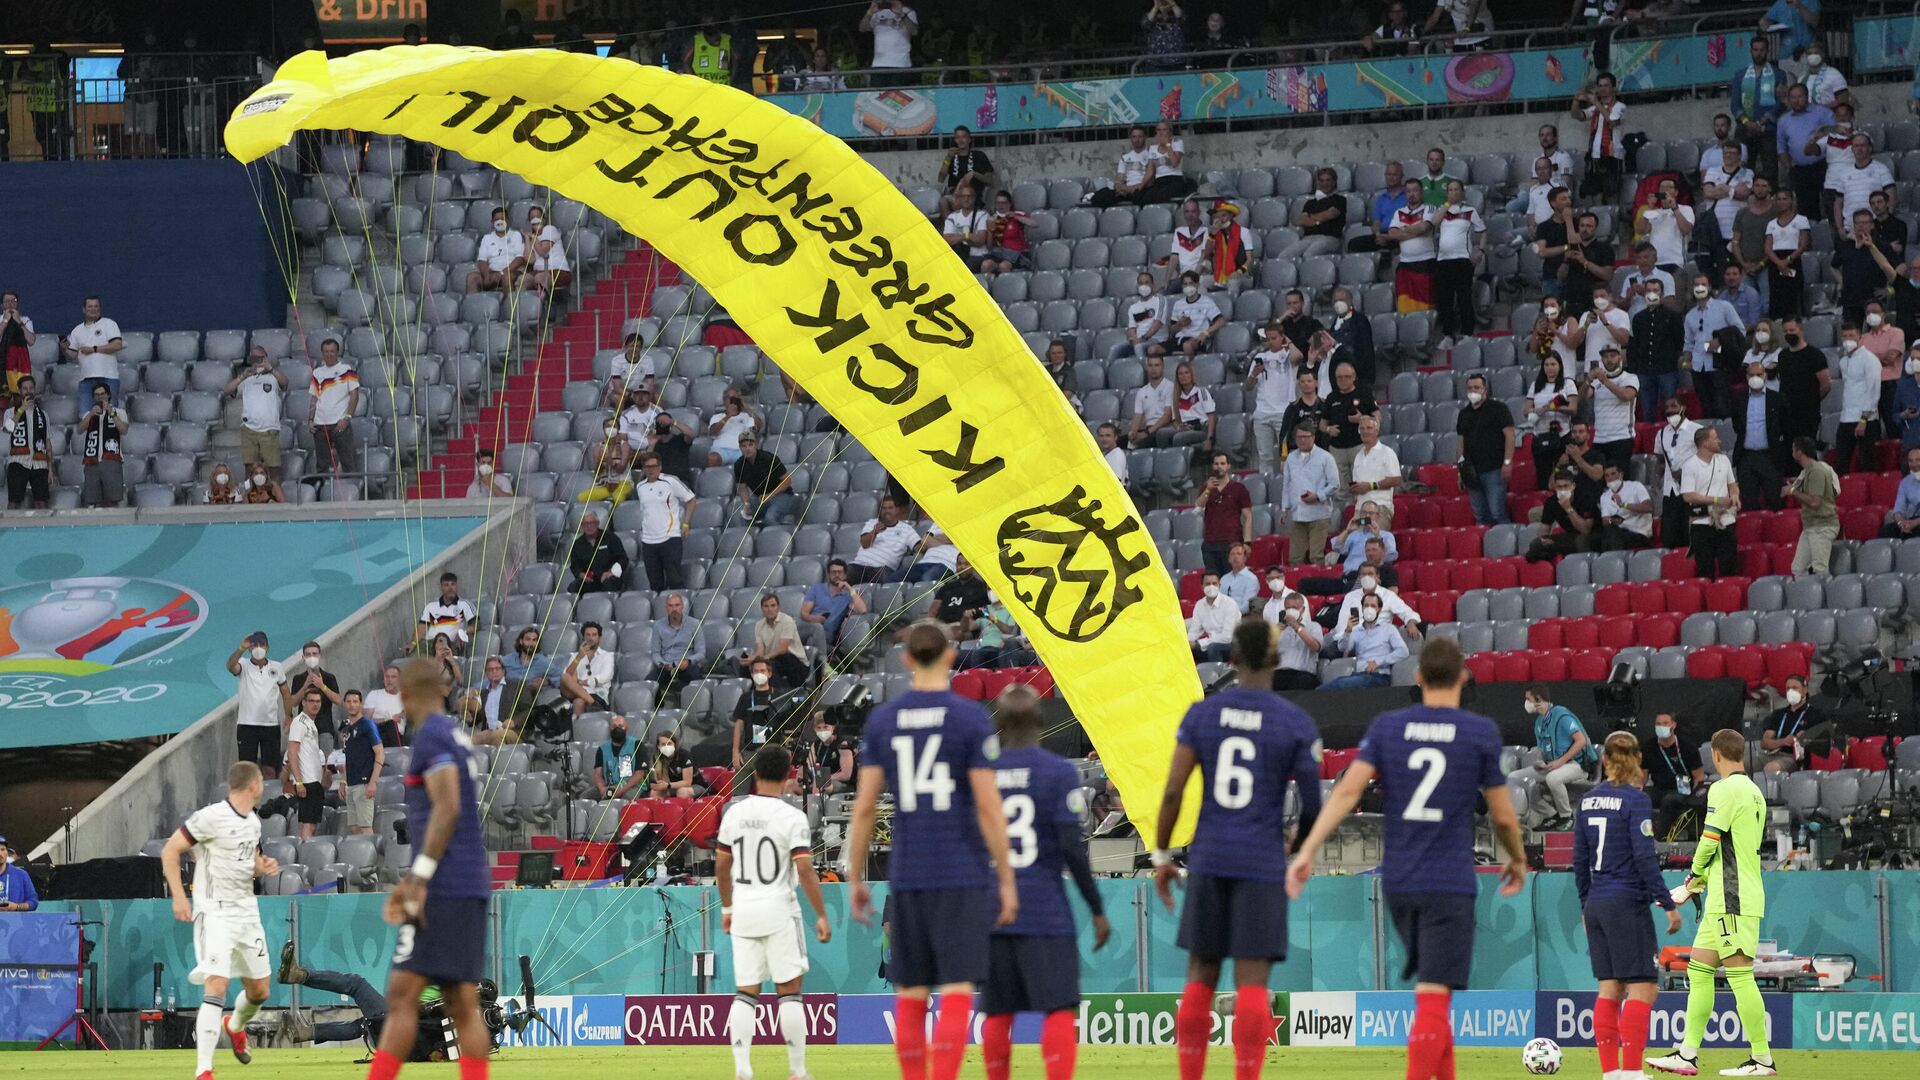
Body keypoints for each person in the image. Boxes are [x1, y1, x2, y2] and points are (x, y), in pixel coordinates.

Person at [1289, 638, 1527, 1080]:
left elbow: (1346, 791)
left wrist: (1308, 849)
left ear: (1417, 678)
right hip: (1448, 881)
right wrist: (1516, 858)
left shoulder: (1387, 727)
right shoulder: (1478, 732)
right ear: (1463, 678)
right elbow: (1502, 813)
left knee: (1434, 998)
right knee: (1434, 1000)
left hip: (1399, 882)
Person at [846, 622, 1018, 1080]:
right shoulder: (970, 719)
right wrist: (1005, 876)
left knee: (910, 992)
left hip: (908, 875)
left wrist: (854, 877)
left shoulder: (884, 720)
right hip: (961, 872)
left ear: (905, 660)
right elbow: (987, 805)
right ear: (948, 657)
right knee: (958, 986)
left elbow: (863, 809)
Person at [1151, 620, 1320, 1080]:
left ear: (1231, 659)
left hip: (1209, 859)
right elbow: (1313, 803)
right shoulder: (1293, 721)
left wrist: (1163, 857)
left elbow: (1172, 793)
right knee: (1252, 983)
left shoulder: (1202, 715)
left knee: (1200, 977)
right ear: (1276, 658)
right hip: (1261, 863)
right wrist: (1298, 849)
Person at [362, 658, 500, 1080]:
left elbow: (447, 807)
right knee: (460, 1000)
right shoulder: (455, 735)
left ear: (403, 695)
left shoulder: (431, 736)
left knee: (403, 994)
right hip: (468, 882)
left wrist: (418, 878)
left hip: (442, 887)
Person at [981, 685, 1110, 1080]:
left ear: (999, 724)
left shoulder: (983, 776)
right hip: (1045, 910)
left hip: (994, 911)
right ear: (1041, 720)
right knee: (1058, 1008)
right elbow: (1072, 848)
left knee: (998, 1011)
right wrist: (1097, 909)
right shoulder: (1058, 773)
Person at [1647, 730, 1776, 1078]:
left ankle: (1762, 1060)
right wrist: (1697, 887)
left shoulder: (1722, 789)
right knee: (1699, 970)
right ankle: (1687, 1055)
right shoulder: (1755, 793)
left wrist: (1691, 878)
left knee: (1739, 976)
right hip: (1730, 894)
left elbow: (1710, 841)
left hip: (1731, 898)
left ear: (1716, 755)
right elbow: (1731, 849)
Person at [716, 744, 832, 1080]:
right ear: (788, 776)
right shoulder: (791, 817)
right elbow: (806, 870)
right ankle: (797, 1070)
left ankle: (742, 1069)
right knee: (790, 992)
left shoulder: (733, 813)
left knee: (745, 992)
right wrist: (821, 915)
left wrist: (727, 907)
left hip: (744, 910)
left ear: (754, 774)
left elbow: (722, 865)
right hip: (780, 909)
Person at [1575, 733, 1684, 1080]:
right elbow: (1643, 858)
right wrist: (1668, 904)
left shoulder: (1587, 801)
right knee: (1643, 988)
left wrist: (1584, 903)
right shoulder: (1635, 801)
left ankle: (1611, 1073)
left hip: (1597, 902)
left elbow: (1579, 861)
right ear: (1637, 759)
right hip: (1627, 903)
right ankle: (1633, 1072)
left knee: (1609, 988)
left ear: (1604, 760)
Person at [161, 761, 277, 1080]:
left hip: (247, 912)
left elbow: (249, 862)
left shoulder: (253, 822)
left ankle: (235, 1026)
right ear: (253, 785)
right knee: (217, 985)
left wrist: (261, 866)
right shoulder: (210, 817)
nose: (264, 788)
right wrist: (179, 897)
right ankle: (204, 1070)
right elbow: (170, 851)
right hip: (214, 912)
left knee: (260, 991)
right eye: (262, 784)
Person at [1524, 685, 1596, 830]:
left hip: (1577, 764)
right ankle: (1552, 814)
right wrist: (1541, 764)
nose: (1526, 703)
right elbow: (1544, 749)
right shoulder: (1539, 722)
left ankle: (1566, 816)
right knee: (1525, 782)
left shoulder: (1561, 715)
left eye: (1528, 699)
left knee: (1553, 778)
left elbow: (1581, 741)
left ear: (1538, 699)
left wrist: (1559, 762)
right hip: (1555, 765)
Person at [227, 631, 289, 779]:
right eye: (255, 645)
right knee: (247, 770)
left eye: (262, 645)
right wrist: (241, 647)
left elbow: (286, 692)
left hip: (270, 725)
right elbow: (230, 666)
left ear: (267, 648)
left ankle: (271, 801)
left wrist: (289, 715)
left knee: (271, 769)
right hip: (247, 725)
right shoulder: (243, 664)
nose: (259, 648)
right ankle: (250, 802)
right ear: (250, 648)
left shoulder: (277, 667)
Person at [1456, 372, 1515, 525]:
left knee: (1497, 512)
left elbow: (1510, 436)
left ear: (1485, 389)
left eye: (1477, 387)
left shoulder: (1499, 409)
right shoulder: (1463, 414)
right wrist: (1460, 472)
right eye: (1469, 388)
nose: (1473, 391)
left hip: (1494, 469)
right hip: (1471, 472)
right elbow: (1461, 444)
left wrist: (1507, 462)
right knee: (1480, 516)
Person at [1681, 426, 1740, 580]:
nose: (1719, 441)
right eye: (1715, 438)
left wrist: (1734, 496)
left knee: (1729, 564)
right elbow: (1688, 496)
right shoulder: (1690, 465)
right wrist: (1716, 500)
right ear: (1705, 442)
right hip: (1702, 521)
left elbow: (1732, 485)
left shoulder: (1724, 460)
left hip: (1725, 519)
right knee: (1705, 567)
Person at [1431, 180, 1485, 348]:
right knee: (1445, 300)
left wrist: (1480, 251)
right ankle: (1448, 334)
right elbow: (1434, 223)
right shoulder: (1442, 210)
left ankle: (1467, 332)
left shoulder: (1470, 211)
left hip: (1462, 260)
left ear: (1462, 192)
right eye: (1450, 190)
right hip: (1443, 261)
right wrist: (1447, 204)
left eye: (1456, 190)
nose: (1453, 192)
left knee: (1464, 298)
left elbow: (1482, 232)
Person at [1683, 275, 1743, 419]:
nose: (1700, 287)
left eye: (1703, 284)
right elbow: (1689, 342)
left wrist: (1721, 340)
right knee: (1706, 407)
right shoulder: (1690, 316)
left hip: (1718, 364)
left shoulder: (1724, 307)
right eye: (1696, 284)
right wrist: (1687, 360)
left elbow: (1740, 330)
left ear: (1709, 287)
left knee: (1722, 406)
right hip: (1698, 367)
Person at [1730, 35, 1788, 180]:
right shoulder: (1740, 75)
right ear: (1750, 51)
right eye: (1755, 50)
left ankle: (1771, 198)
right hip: (1745, 129)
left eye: (1762, 50)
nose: (1758, 53)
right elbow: (1735, 104)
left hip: (1768, 128)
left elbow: (1781, 103)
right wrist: (1746, 122)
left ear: (1767, 51)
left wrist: (1761, 122)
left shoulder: (1778, 74)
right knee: (1742, 167)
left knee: (1770, 169)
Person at [1732, 361, 1787, 511]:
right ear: (1746, 377)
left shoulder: (1777, 399)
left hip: (1770, 457)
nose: (1755, 377)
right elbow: (1737, 425)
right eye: (1752, 375)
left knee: (1774, 500)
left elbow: (1785, 425)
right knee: (1748, 503)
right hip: (1746, 457)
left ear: (1765, 376)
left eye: (1759, 374)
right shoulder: (1738, 399)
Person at [1323, 592, 1408, 689]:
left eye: (1373, 606)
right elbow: (1342, 648)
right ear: (1362, 608)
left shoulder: (1388, 629)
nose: (1369, 609)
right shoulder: (1356, 631)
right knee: (1338, 682)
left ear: (1379, 609)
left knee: (1341, 684)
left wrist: (1378, 662)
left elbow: (1403, 651)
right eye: (1366, 605)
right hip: (1359, 675)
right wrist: (1347, 631)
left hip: (1379, 676)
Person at [1279, 426, 1336, 565]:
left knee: (1316, 556)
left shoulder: (1325, 457)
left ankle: (1319, 585)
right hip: (1298, 514)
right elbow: (1287, 484)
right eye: (1300, 437)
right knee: (1295, 558)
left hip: (1319, 514)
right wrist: (1284, 508)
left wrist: (1317, 496)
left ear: (1313, 437)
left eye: (1306, 437)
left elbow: (1334, 484)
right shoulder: (1291, 458)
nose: (1303, 440)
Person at [1643, 714, 1706, 839]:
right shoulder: (1648, 747)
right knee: (1642, 797)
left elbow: (1699, 777)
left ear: (1674, 725)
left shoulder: (1688, 747)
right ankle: (1641, 833)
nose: (1661, 727)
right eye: (1658, 724)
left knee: (1670, 800)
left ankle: (1658, 836)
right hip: (1659, 788)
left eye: (1665, 723)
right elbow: (1642, 778)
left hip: (1683, 789)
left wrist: (1694, 796)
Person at [308, 337, 361, 478]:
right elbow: (314, 398)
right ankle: (322, 495)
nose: (329, 355)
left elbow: (354, 397)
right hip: (320, 425)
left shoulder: (347, 370)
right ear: (322, 353)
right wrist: (310, 419)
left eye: (332, 351)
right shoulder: (317, 373)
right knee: (322, 466)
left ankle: (352, 494)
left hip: (340, 423)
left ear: (337, 352)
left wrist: (347, 419)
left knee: (348, 462)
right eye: (326, 352)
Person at [1835, 322, 1883, 475]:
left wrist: (1863, 420)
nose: (1848, 339)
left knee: (1867, 462)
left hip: (1865, 419)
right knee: (1841, 462)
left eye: (1851, 335)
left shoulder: (1869, 359)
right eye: (1845, 336)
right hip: (1846, 418)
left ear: (1859, 337)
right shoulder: (1843, 362)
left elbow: (1873, 390)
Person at [61, 295, 124, 409]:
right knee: (85, 415)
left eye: (96, 306)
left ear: (100, 308)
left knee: (110, 414)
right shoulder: (77, 330)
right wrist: (64, 349)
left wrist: (94, 349)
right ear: (84, 309)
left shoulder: (109, 323)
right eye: (90, 306)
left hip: (108, 377)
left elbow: (117, 345)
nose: (93, 309)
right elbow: (72, 355)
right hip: (86, 378)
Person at [1758, 674, 1830, 774]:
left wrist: (1805, 737)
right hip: (1772, 754)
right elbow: (1765, 743)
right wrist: (1784, 741)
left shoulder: (1816, 714)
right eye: (1788, 688)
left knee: (1771, 768)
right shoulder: (1778, 714)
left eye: (1795, 688)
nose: (1791, 692)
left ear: (1804, 690)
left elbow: (1822, 741)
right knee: (1738, 764)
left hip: (1794, 757)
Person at [1584, 343, 1639, 472]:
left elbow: (1626, 395)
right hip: (1599, 438)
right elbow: (1582, 397)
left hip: (1622, 438)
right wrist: (1588, 380)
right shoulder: (1597, 381)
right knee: (1599, 483)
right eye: (1606, 357)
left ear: (1620, 357)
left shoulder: (1630, 378)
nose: (1609, 359)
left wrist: (1605, 381)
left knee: (1619, 481)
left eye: (1613, 356)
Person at [1775, 317, 1828, 450]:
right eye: (1786, 331)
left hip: (1808, 415)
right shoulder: (1783, 356)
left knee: (1807, 450)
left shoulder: (1815, 355)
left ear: (1801, 330)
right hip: (1787, 416)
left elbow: (1826, 384)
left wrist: (1812, 400)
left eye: (1792, 330)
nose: (1789, 334)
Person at [73, 381, 128, 507]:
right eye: (97, 394)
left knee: (113, 500)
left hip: (111, 459)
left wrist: (111, 413)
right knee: (93, 500)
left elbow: (124, 430)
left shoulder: (119, 412)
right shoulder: (89, 413)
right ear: (93, 397)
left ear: (108, 395)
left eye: (103, 394)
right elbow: (79, 429)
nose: (100, 397)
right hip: (92, 461)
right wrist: (91, 415)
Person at [1573, 72, 1626, 201]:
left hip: (1612, 156)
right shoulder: (1595, 108)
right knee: (1594, 194)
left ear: (1613, 88)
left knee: (1611, 194)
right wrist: (1576, 100)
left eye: (1606, 85)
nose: (1602, 88)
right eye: (1600, 85)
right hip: (1594, 156)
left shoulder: (1620, 106)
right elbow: (1578, 116)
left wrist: (1596, 102)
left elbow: (1612, 121)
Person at [847, 494, 920, 584]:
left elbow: (918, 547)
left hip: (882, 569)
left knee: (882, 577)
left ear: (897, 510)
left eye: (890, 508)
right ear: (880, 510)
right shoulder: (872, 523)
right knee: (844, 572)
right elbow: (865, 544)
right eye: (884, 508)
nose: (887, 511)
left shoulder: (907, 529)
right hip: (859, 566)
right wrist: (874, 532)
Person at [338, 692, 384, 836]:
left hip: (364, 782)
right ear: (345, 703)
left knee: (365, 826)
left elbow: (380, 753)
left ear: (361, 703)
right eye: (349, 701)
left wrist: (373, 782)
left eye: (355, 701)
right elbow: (348, 756)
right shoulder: (345, 727)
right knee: (354, 827)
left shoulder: (367, 725)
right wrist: (343, 780)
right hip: (351, 782)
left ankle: (372, 857)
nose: (352, 705)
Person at [285, 688, 327, 839]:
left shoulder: (310, 723)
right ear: (303, 703)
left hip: (314, 780)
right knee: (308, 824)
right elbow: (292, 752)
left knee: (311, 823)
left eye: (318, 701)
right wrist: (299, 781)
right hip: (307, 780)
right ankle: (306, 855)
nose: (315, 705)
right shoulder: (300, 722)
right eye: (311, 701)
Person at [4, 374, 51, 510]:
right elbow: (7, 430)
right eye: (25, 388)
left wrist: (51, 468)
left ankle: (44, 530)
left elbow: (47, 442)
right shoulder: (10, 412)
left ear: (34, 390)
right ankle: (9, 530)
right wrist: (22, 409)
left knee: (42, 502)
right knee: (13, 502)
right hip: (18, 461)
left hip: (39, 462)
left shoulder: (43, 414)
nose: (28, 391)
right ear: (20, 391)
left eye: (31, 388)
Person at [746, 594, 810, 690]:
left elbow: (783, 649)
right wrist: (753, 659)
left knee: (782, 659)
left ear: (778, 607)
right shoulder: (759, 625)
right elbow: (760, 649)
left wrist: (764, 659)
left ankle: (786, 697)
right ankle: (758, 696)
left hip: (796, 662)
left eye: (773, 605)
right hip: (774, 660)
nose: (769, 609)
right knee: (753, 666)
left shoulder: (787, 621)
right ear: (762, 609)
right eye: (766, 606)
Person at [732, 433, 797, 526]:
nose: (747, 448)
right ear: (740, 448)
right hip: (760, 498)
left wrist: (770, 495)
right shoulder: (739, 464)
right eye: (744, 446)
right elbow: (742, 487)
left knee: (770, 518)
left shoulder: (769, 458)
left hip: (782, 495)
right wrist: (746, 503)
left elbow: (787, 481)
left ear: (756, 445)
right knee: (740, 517)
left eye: (750, 445)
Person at [559, 621, 615, 717]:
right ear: (583, 637)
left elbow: (605, 676)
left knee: (578, 702)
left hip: (597, 694)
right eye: (587, 635)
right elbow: (567, 677)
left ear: (599, 638)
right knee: (565, 677)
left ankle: (578, 731)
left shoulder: (607, 656)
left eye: (594, 635)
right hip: (574, 693)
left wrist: (582, 683)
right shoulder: (576, 656)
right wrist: (579, 657)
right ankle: (593, 704)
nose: (591, 638)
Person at [1270, 591, 1323, 691]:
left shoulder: (1313, 626)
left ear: (1302, 609)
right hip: (1279, 672)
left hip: (1303, 673)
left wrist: (1297, 627)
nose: (1290, 611)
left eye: (1294, 608)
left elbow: (1316, 647)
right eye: (1288, 608)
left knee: (1302, 682)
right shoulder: (1279, 629)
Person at [1598, 460, 1656, 551]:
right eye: (1606, 475)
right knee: (1601, 536)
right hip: (1618, 532)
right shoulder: (1604, 497)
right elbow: (1605, 521)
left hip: (1639, 533)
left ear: (1621, 475)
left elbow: (1648, 508)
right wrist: (1613, 520)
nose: (1610, 478)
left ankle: (1613, 561)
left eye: (1613, 474)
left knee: (1611, 538)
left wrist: (1623, 504)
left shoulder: (1636, 486)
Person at [935, 125, 993, 215]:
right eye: (957, 137)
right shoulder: (952, 157)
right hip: (954, 196)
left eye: (964, 137)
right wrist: (948, 158)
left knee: (965, 196)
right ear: (954, 140)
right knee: (943, 201)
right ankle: (950, 226)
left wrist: (974, 174)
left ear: (969, 140)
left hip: (973, 195)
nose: (961, 140)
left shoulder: (979, 155)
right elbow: (941, 178)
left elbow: (989, 180)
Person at [413, 573, 475, 655]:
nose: (450, 588)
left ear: (457, 586)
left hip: (449, 644)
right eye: (446, 585)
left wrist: (462, 632)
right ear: (441, 587)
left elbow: (476, 625)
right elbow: (422, 626)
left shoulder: (464, 604)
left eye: (453, 584)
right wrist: (412, 643)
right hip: (428, 643)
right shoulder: (431, 606)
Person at [1349, 416, 1401, 511]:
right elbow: (1356, 483)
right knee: (1353, 526)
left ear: (1377, 431)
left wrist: (1369, 486)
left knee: (1369, 526)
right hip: (1360, 509)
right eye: (1362, 429)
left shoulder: (1387, 452)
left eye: (1369, 428)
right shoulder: (1358, 456)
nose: (1365, 431)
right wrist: (1354, 488)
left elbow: (1395, 480)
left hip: (1379, 508)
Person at [1185, 572, 1238, 663]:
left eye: (1214, 583)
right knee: (1187, 649)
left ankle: (1217, 675)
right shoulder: (1199, 605)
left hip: (1232, 644)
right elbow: (1194, 631)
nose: (1211, 586)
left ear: (1219, 585)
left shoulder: (1229, 604)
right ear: (1202, 586)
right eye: (1207, 584)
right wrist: (1187, 643)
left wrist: (1202, 643)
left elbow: (1227, 637)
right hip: (1210, 643)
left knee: (1213, 647)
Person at [1168, 272, 1224, 359]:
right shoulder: (1178, 304)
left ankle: (1189, 371)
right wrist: (1180, 324)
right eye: (1185, 284)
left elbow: (1221, 321)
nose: (1188, 287)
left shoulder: (1206, 302)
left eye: (1190, 283)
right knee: (1153, 349)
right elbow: (1172, 330)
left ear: (1197, 285)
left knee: (1187, 346)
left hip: (1197, 338)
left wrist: (1205, 333)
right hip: (1179, 338)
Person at [859, 0, 917, 83]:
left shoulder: (908, 11)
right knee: (878, 95)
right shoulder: (876, 12)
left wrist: (901, 14)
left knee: (898, 95)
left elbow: (914, 32)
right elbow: (862, 28)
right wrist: (869, 12)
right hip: (878, 64)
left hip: (901, 64)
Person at [941, 184, 992, 272]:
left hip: (978, 256)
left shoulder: (983, 215)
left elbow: (980, 240)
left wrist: (957, 237)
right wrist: (966, 237)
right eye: (963, 196)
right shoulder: (952, 217)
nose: (966, 199)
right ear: (959, 198)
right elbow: (946, 240)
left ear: (974, 198)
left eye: (969, 196)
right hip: (959, 256)